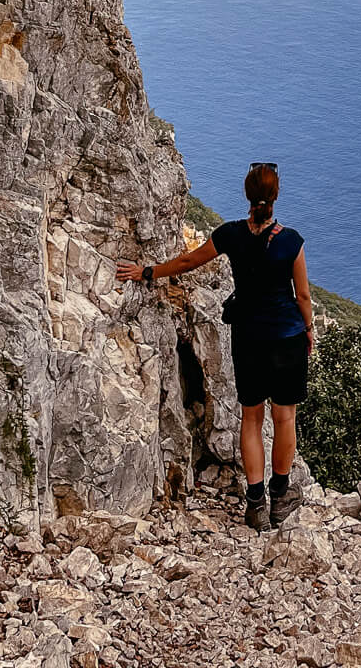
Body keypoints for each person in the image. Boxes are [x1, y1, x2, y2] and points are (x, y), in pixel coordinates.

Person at [116, 162, 315, 530]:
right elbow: (302, 294)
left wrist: (147, 271)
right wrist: (310, 330)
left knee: (251, 418)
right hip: (286, 338)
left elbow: (189, 261)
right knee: (285, 417)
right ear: (275, 197)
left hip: (248, 338)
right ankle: (281, 496)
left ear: (247, 195)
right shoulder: (291, 242)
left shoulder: (230, 235)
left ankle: (255, 504)